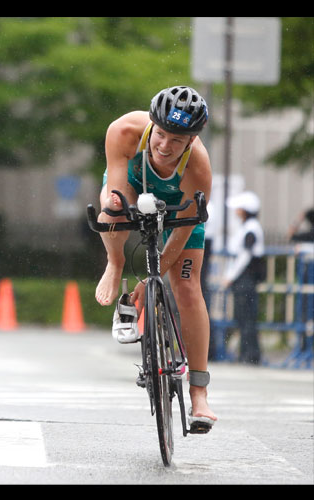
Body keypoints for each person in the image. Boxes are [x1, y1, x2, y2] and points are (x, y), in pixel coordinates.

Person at [95, 86, 216, 432]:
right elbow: (116, 196)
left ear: (192, 140)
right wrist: (114, 211)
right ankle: (114, 262)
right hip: (133, 184)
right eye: (160, 135)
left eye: (177, 141)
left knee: (188, 288)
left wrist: (153, 276)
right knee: (113, 212)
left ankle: (199, 393)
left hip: (181, 209)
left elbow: (182, 234)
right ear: (151, 125)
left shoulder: (199, 166)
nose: (164, 146)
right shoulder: (123, 132)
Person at [221, 191, 265, 364]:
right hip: (244, 277)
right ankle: (247, 353)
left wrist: (230, 276)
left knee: (246, 317)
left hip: (245, 277)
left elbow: (245, 255)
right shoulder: (248, 227)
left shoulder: (251, 229)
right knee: (244, 317)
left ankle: (251, 354)